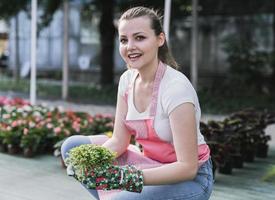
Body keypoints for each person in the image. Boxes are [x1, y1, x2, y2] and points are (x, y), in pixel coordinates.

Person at [61, 6, 213, 200]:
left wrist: (126, 178)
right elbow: (119, 141)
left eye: (139, 38)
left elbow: (188, 168)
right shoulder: (127, 80)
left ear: (160, 39)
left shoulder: (176, 89)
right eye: (124, 40)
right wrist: (87, 163)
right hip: (149, 163)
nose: (130, 46)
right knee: (72, 147)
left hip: (190, 180)